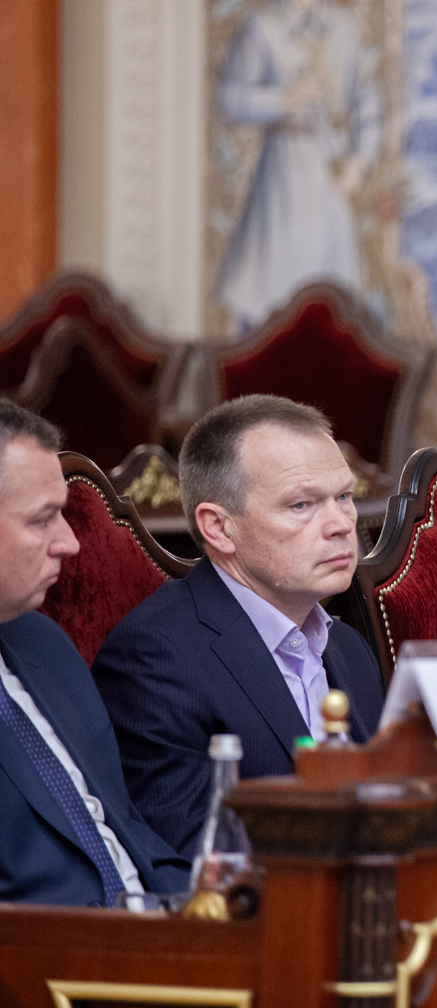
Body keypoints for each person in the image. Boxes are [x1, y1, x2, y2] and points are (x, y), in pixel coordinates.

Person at [94, 396, 384, 856]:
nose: (340, 524)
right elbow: (196, 854)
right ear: (219, 527)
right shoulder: (156, 658)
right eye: (302, 504)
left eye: (344, 497)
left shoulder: (348, 647)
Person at [0, 401, 188, 905]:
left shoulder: (42, 642)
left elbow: (131, 834)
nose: (70, 543)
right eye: (43, 519)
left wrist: (209, 910)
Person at [213, 0, 381, 331]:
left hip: (330, 172)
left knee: (334, 295)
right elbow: (229, 100)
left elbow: (369, 105)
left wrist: (358, 163)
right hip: (282, 169)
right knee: (269, 290)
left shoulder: (344, 29)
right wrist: (284, 99)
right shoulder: (261, 28)